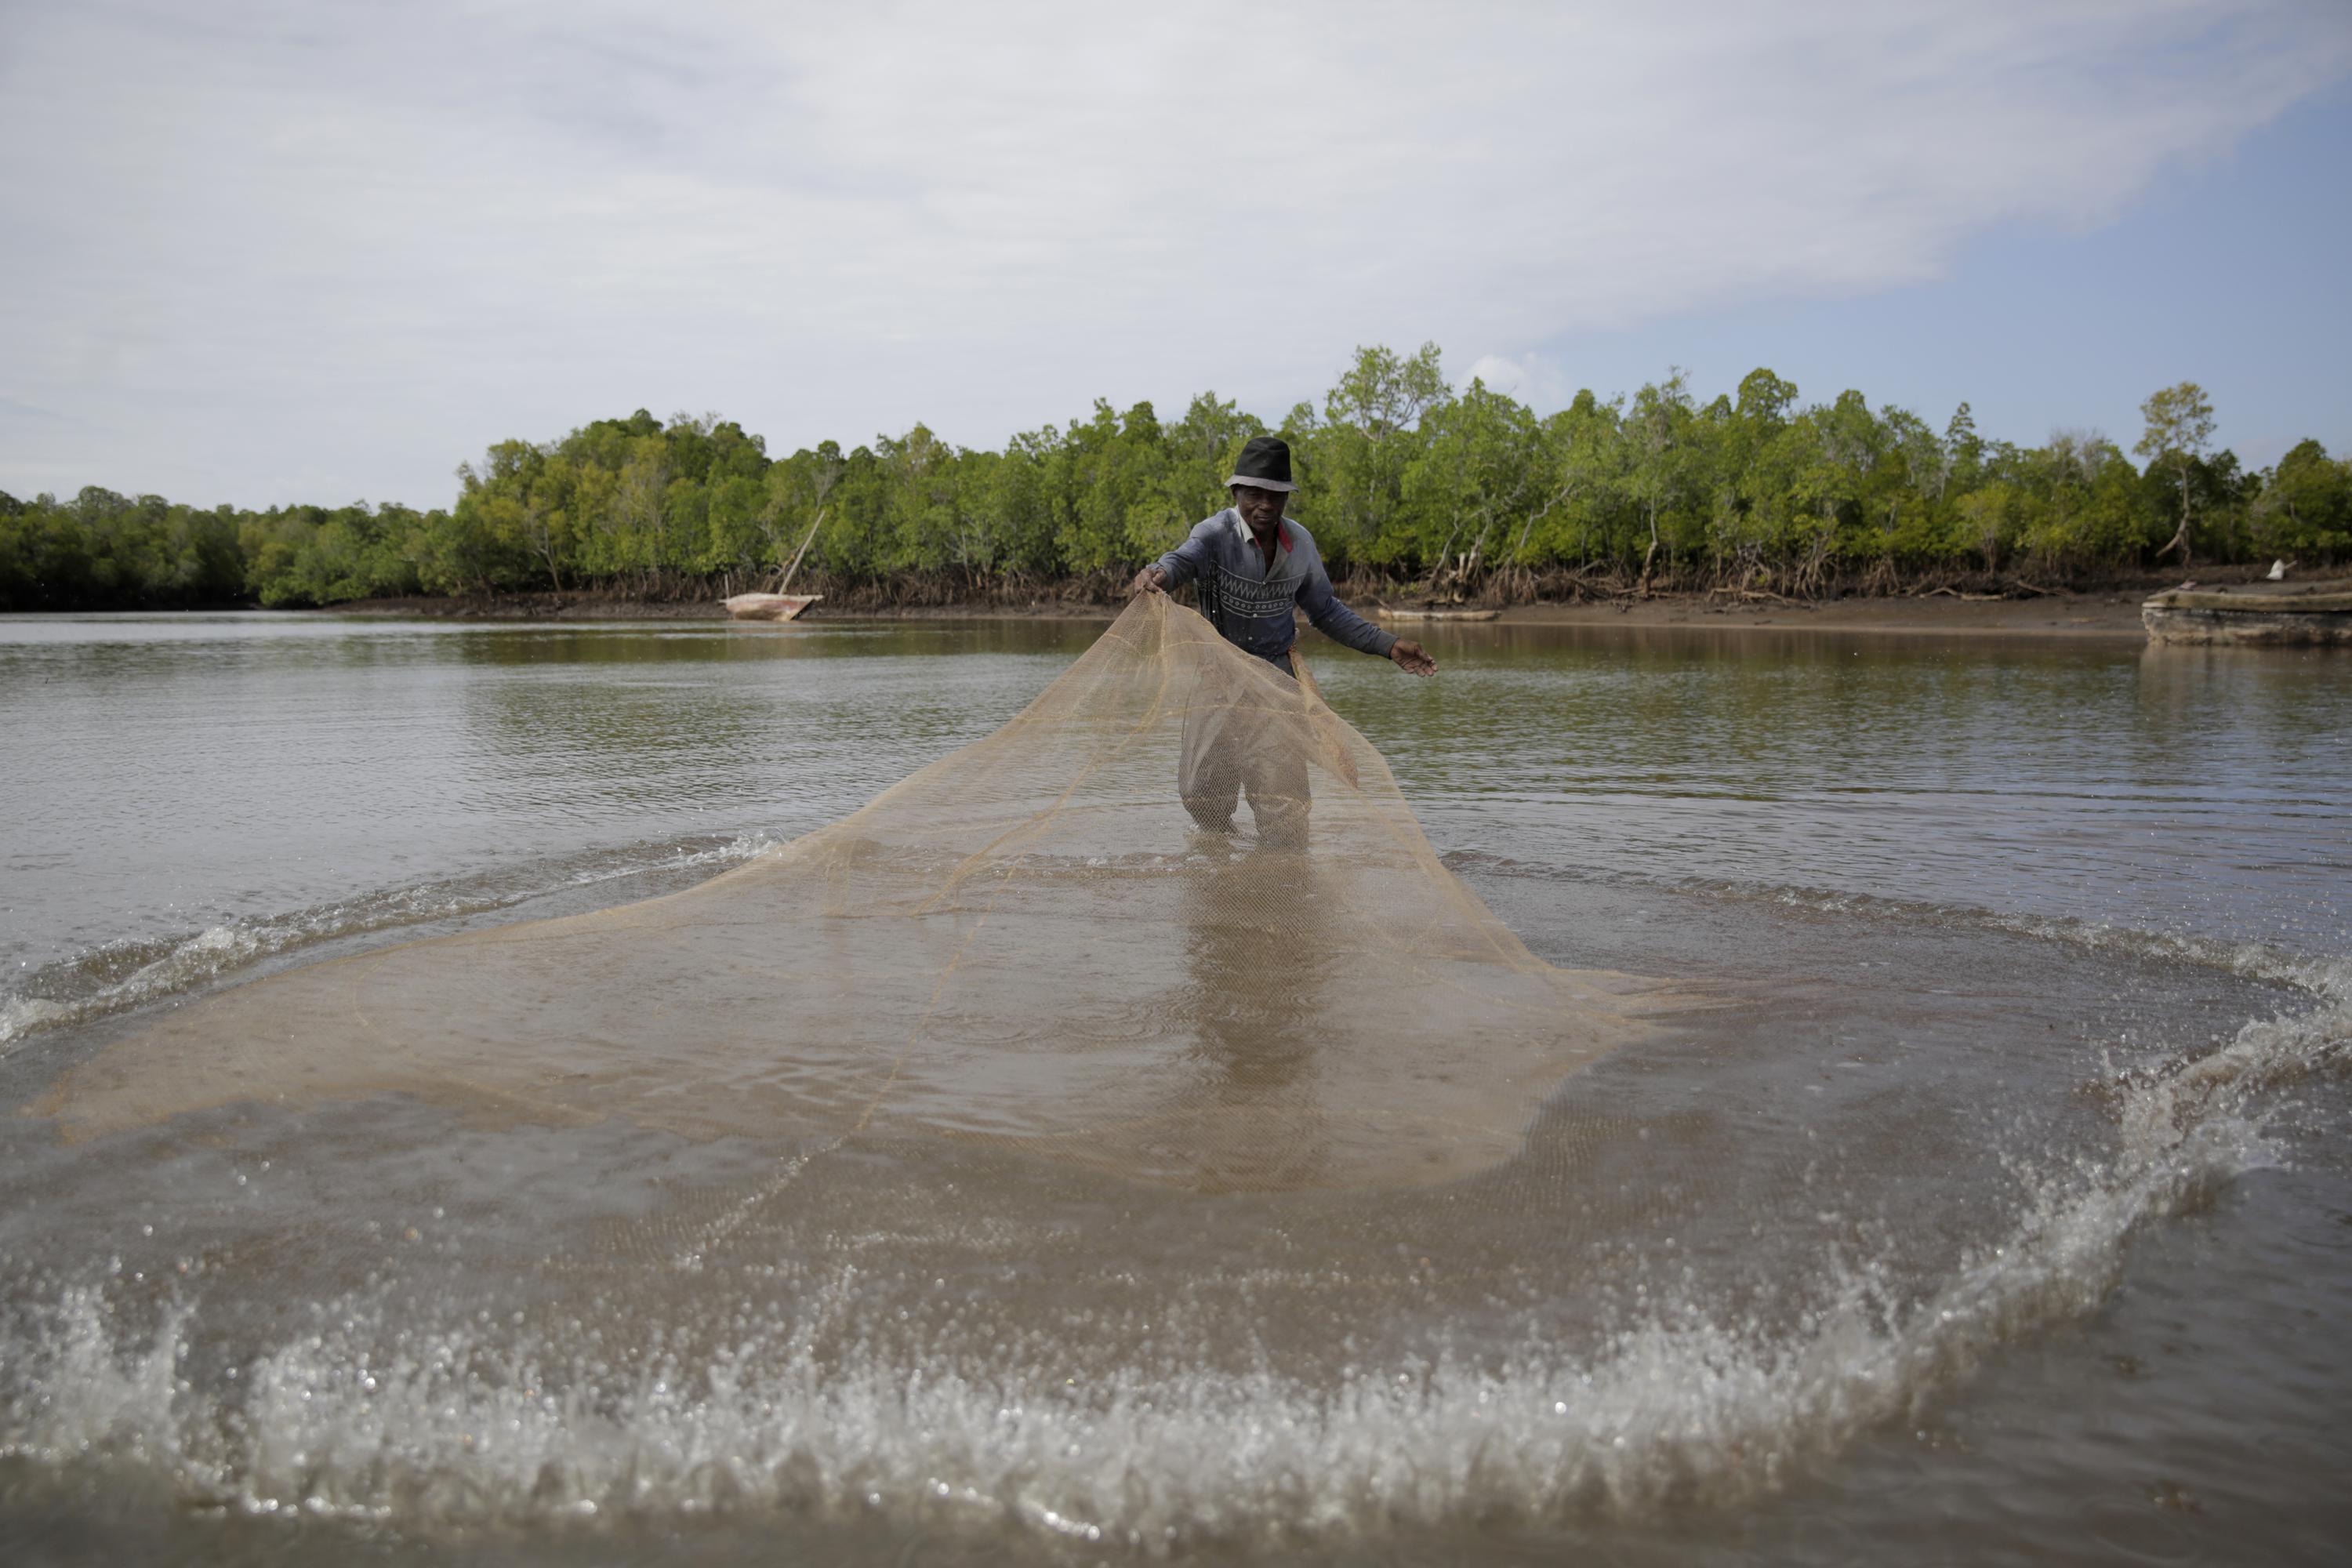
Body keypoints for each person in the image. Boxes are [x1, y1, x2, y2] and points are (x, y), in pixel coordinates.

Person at [1130, 434, 1435, 846]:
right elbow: (1181, 560)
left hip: (1275, 683)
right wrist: (1158, 573)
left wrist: (1389, 645)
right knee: (1200, 792)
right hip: (1217, 680)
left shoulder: (1300, 544)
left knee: (1283, 805)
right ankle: (1222, 857)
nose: (1265, 505)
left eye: (1276, 495)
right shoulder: (1215, 534)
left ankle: (1287, 876)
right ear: (1236, 492)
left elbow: (1325, 611)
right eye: (1254, 493)